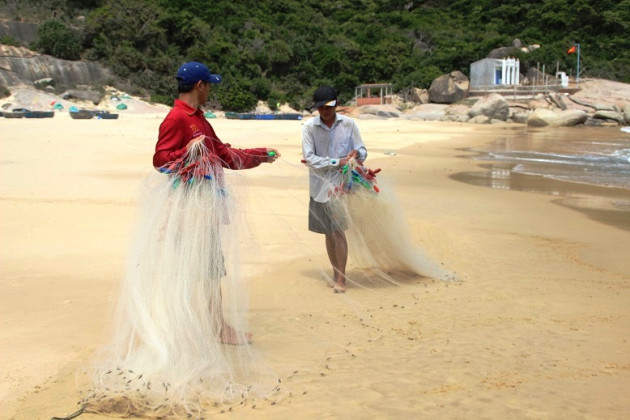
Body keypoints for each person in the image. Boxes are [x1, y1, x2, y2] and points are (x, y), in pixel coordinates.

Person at [84, 62, 281, 417]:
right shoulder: (176, 118)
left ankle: (216, 323)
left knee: (210, 268)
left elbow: (223, 155)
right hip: (189, 208)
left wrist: (260, 156)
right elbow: (161, 161)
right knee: (192, 267)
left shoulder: (200, 118)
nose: (211, 91)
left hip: (206, 205)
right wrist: (189, 150)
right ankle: (193, 326)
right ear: (201, 85)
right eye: (210, 86)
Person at [302, 86, 367, 293]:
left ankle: (341, 278)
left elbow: (362, 149)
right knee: (328, 233)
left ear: (336, 104)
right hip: (319, 187)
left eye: (328, 106)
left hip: (342, 186)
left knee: (338, 231)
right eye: (320, 107)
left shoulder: (349, 125)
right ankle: (335, 272)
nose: (325, 111)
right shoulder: (309, 128)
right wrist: (335, 161)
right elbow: (309, 158)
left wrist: (357, 155)